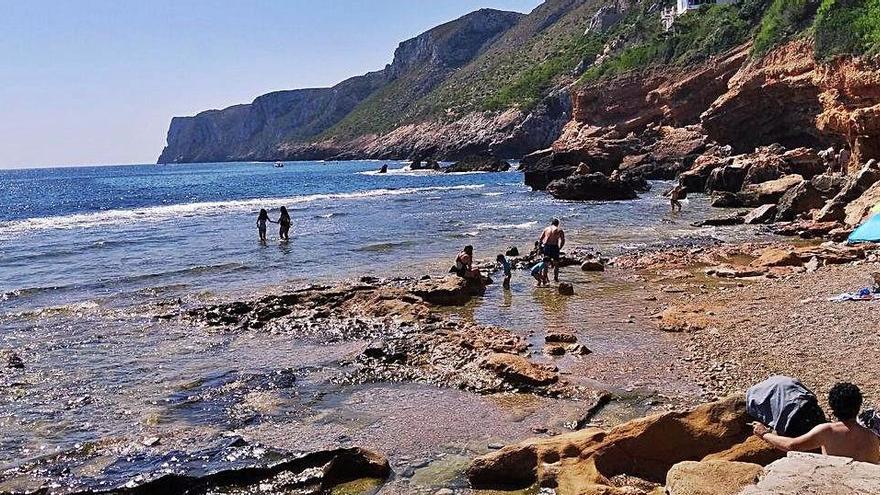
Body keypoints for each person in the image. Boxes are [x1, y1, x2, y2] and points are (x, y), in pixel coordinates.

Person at [753, 382, 880, 464]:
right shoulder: (872, 436)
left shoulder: (828, 431)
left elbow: (792, 445)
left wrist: (764, 434)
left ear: (832, 407)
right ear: (858, 405)